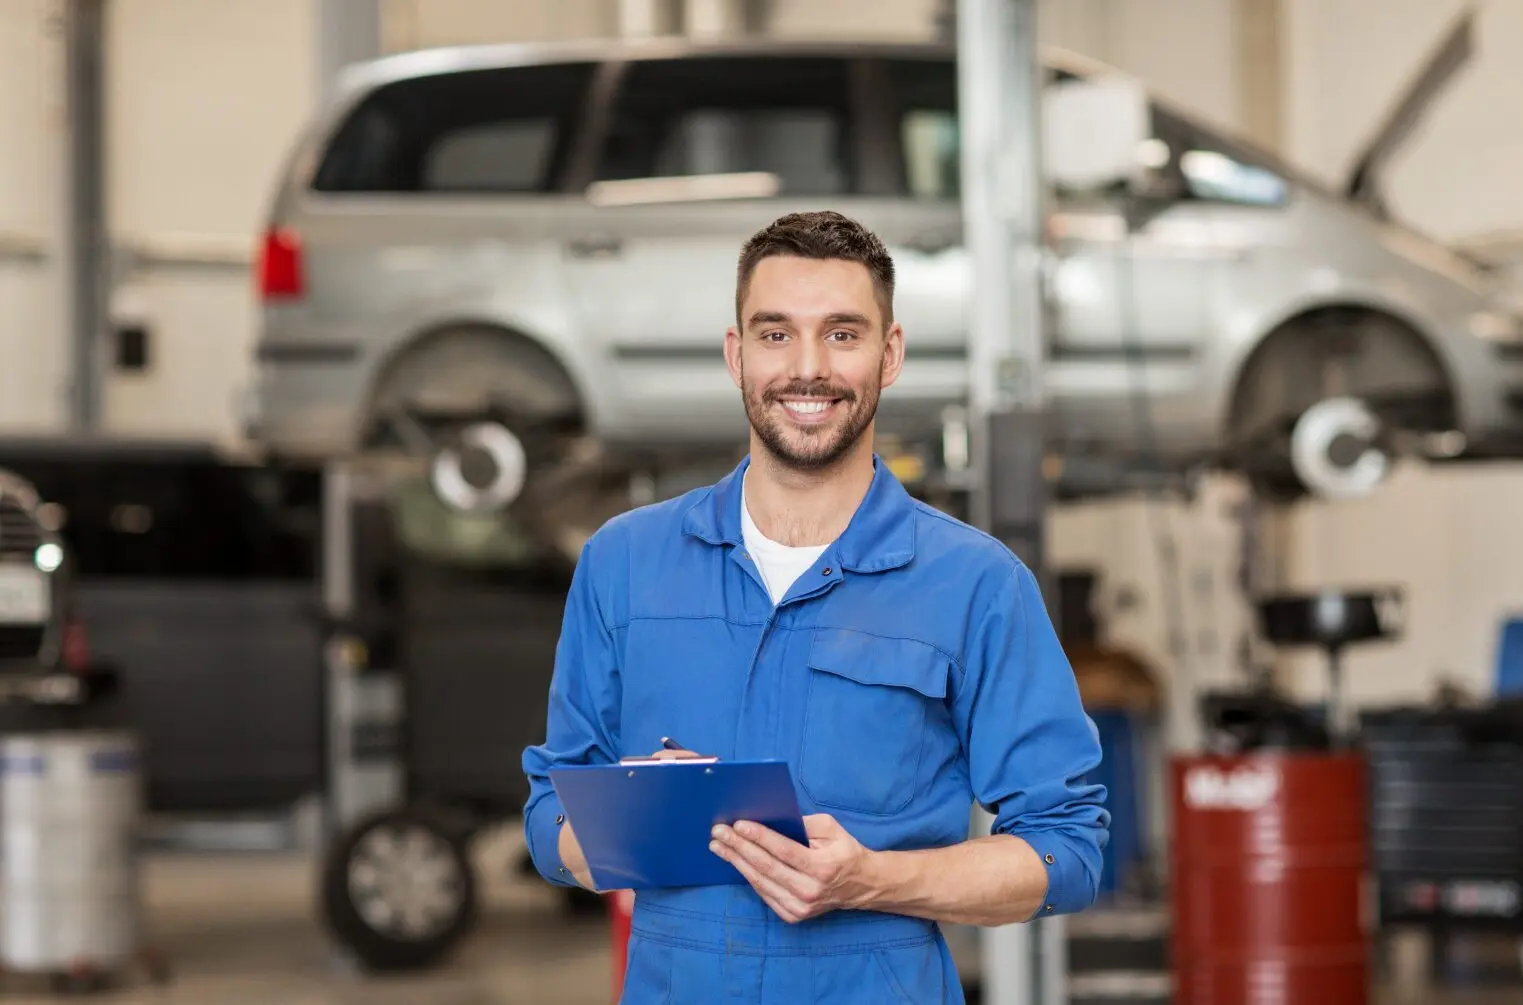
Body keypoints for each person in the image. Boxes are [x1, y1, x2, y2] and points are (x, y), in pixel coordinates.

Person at [522, 210, 1108, 1004]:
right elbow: (551, 821)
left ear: (888, 353)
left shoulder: (975, 583)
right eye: (774, 335)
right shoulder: (623, 564)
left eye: (841, 334)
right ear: (735, 355)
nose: (806, 369)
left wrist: (873, 878)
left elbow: (1065, 848)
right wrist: (641, 818)